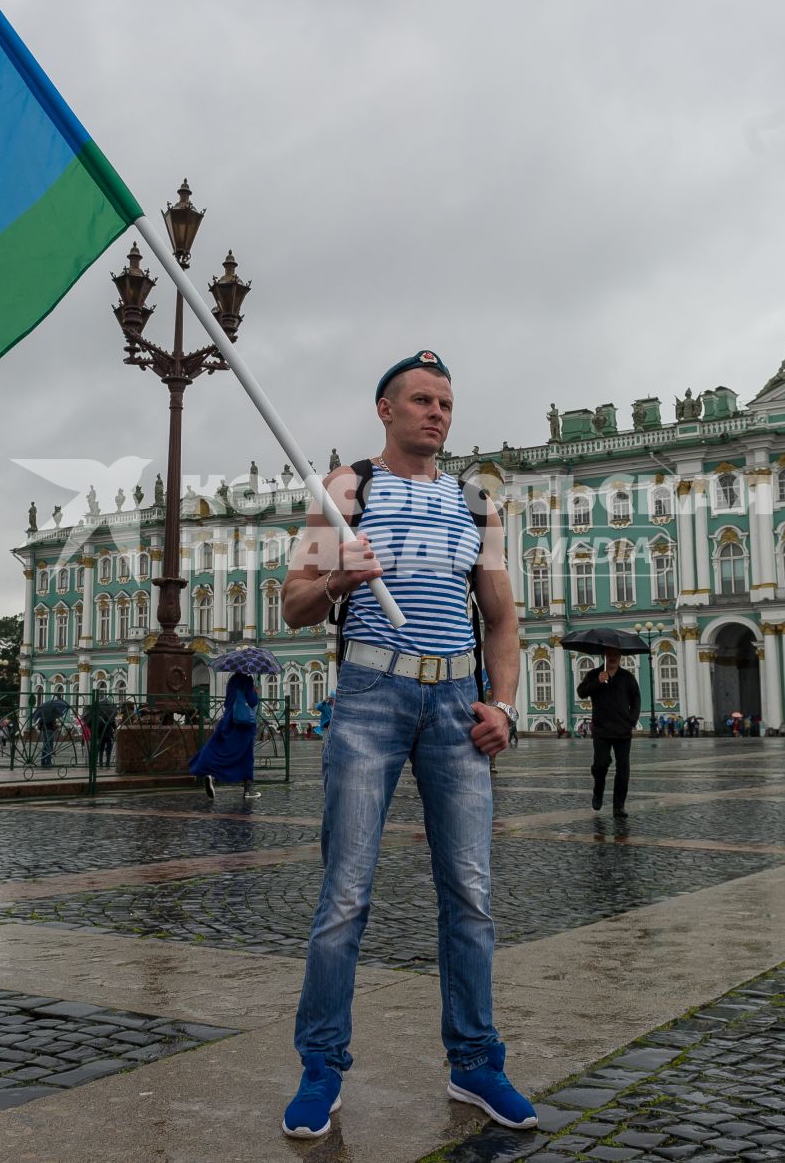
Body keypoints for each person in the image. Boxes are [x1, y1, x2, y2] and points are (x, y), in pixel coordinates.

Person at [277, 350, 533, 1139]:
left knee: (470, 892)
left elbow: (501, 619)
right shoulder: (347, 490)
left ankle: (476, 1061)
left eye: (447, 403)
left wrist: (502, 705)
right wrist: (338, 584)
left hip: (457, 703)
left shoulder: (475, 502)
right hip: (369, 695)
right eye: (422, 400)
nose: (438, 413)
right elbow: (293, 605)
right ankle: (321, 1065)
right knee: (344, 894)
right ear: (384, 409)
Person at [578, 649, 640, 818]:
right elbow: (581, 692)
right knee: (601, 765)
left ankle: (619, 806)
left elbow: (636, 698)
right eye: (609, 654)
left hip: (622, 729)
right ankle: (598, 792)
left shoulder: (627, 677)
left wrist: (632, 720)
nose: (612, 657)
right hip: (601, 729)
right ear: (604, 656)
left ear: (620, 657)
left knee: (623, 770)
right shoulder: (594, 674)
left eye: (615, 654)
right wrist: (598, 682)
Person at [190, 670, 262, 800]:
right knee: (246, 756)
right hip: (243, 723)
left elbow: (227, 703)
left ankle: (209, 773)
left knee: (219, 748)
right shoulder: (247, 680)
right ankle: (248, 789)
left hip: (228, 720)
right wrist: (255, 693)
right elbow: (252, 701)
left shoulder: (232, 680)